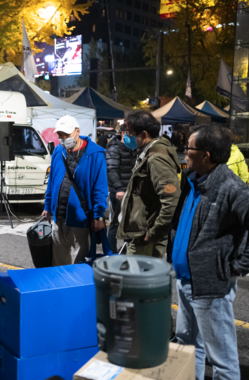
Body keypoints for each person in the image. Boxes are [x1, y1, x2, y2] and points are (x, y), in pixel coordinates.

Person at [171, 124, 249, 380]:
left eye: (188, 148)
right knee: (187, 345)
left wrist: (238, 267)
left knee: (222, 359)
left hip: (211, 286)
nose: (184, 153)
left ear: (205, 155)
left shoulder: (232, 188)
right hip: (185, 279)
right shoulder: (194, 180)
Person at [42, 115, 108, 265]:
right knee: (58, 262)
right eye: (60, 135)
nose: (63, 139)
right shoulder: (58, 150)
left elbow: (100, 188)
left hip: (80, 218)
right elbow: (52, 181)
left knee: (78, 263)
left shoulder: (95, 154)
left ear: (77, 131)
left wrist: (98, 216)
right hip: (59, 216)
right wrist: (47, 206)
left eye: (66, 135)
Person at [116, 111, 180, 258]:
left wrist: (154, 232)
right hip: (141, 232)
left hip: (145, 236)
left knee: (137, 272)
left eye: (130, 133)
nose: (126, 137)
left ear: (144, 135)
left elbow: (171, 199)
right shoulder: (148, 152)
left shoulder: (156, 158)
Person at [105, 124, 137, 254]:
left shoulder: (134, 148)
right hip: (118, 192)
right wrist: (119, 188)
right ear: (123, 133)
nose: (135, 137)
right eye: (132, 134)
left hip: (131, 192)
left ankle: (126, 252)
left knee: (129, 223)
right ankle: (111, 253)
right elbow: (112, 170)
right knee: (115, 223)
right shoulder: (114, 148)